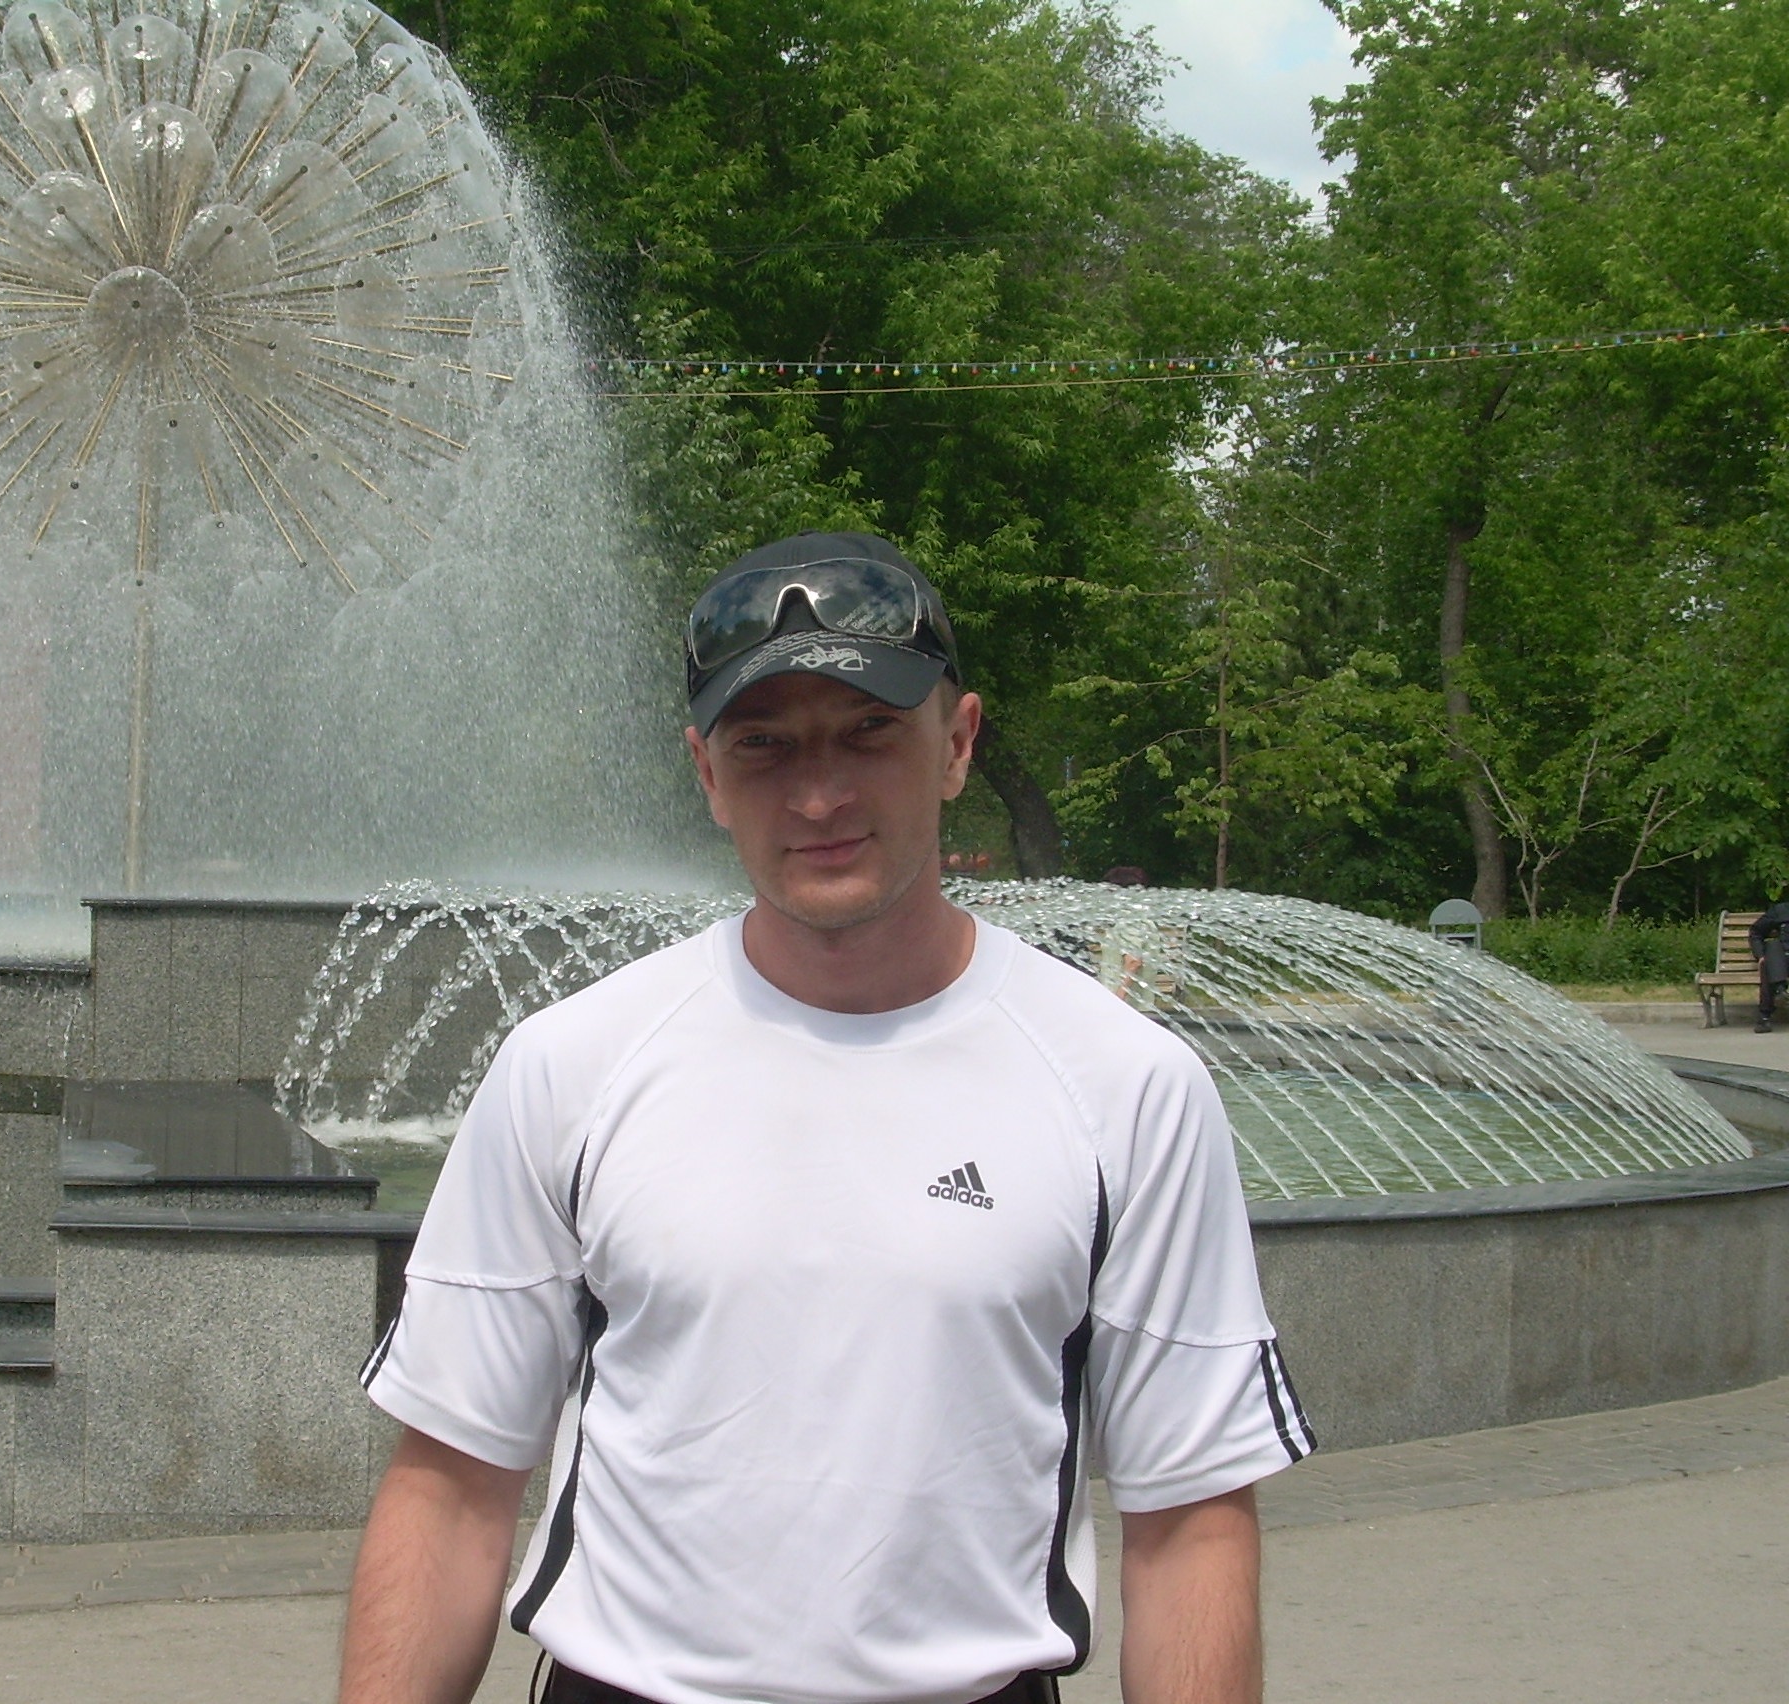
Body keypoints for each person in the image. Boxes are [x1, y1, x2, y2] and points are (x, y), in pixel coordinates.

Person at [340, 532, 1315, 1704]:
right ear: (706, 774)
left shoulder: (1128, 1084)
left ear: (957, 743)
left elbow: (1190, 1520)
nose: (817, 795)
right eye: (763, 745)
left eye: (868, 731)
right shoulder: (570, 1065)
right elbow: (451, 1487)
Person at [1751, 896, 1789, 1034]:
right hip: (1782, 958)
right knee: (1770, 950)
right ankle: (1779, 992)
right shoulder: (1781, 910)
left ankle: (1779, 992)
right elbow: (1756, 932)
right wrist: (1760, 955)